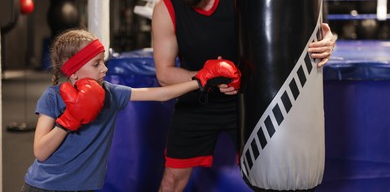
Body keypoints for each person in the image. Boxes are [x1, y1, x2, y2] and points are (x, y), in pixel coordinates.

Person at [151, 0, 336, 191]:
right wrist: (207, 76)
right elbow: (164, 73)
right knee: (172, 179)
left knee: (270, 174)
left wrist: (325, 38)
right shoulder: (166, 8)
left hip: (247, 99)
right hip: (197, 99)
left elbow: (288, 21)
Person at [22, 28, 240, 192]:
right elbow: (40, 151)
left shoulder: (110, 93)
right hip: (44, 187)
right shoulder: (53, 97)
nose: (105, 69)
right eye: (96, 64)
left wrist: (201, 80)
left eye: (103, 62)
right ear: (74, 70)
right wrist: (69, 120)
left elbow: (160, 94)